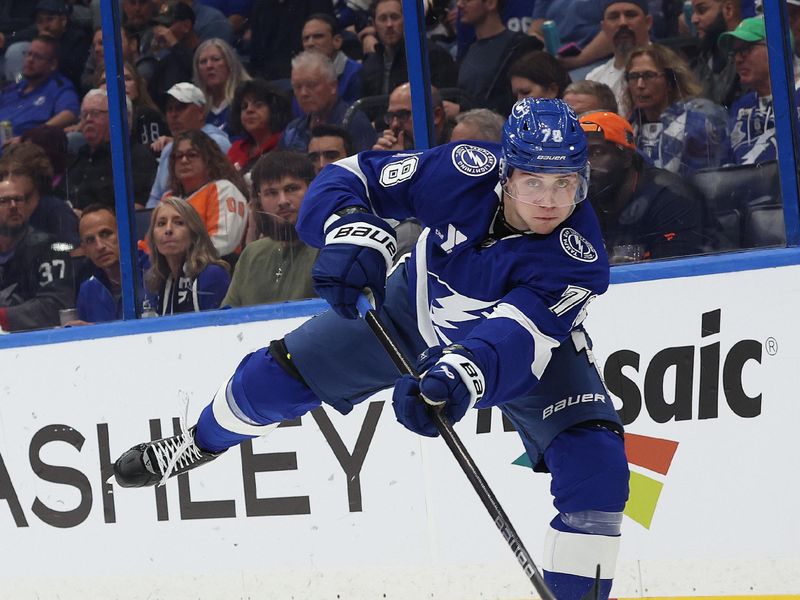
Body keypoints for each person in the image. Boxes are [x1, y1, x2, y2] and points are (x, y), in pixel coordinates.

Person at [112, 98, 629, 600]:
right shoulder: (461, 170)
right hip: (412, 309)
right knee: (270, 380)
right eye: (533, 181)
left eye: (565, 183)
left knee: (598, 469)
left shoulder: (578, 259)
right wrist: (350, 229)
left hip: (529, 355)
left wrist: (459, 376)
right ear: (505, 174)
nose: (549, 201)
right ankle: (199, 442)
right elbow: (348, 178)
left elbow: (515, 341)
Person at [579, 110, 707, 261]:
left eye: (596, 153)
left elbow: (678, 272)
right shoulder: (579, 196)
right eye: (579, 155)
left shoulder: (671, 197)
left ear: (626, 157)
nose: (585, 165)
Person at [223, 151, 319, 307]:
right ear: (258, 200)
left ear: (312, 190)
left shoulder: (331, 246)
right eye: (271, 193)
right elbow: (226, 321)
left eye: (292, 188)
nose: (282, 201)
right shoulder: (251, 254)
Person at [624, 44, 729, 176]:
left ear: (670, 81)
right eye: (633, 77)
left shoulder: (697, 122)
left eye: (649, 75)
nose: (640, 85)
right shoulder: (629, 128)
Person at [719, 16, 800, 165]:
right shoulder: (741, 107)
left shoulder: (797, 96)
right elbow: (724, 168)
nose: (737, 59)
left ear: (777, 47)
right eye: (734, 53)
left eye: (745, 49)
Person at [0, 178, 75, 332]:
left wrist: (3, 317)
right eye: (4, 201)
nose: (13, 206)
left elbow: (56, 305)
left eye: (18, 199)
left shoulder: (50, 249)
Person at [64, 89, 158, 211]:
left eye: (95, 113)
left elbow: (136, 210)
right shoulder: (77, 156)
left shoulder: (137, 158)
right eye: (84, 114)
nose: (88, 119)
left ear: (121, 117)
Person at [146, 82, 231, 208]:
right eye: (169, 109)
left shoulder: (217, 142)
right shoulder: (168, 149)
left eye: (180, 108)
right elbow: (155, 199)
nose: (173, 115)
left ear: (201, 111)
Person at [165, 129, 248, 257]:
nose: (184, 160)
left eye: (192, 154)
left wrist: (182, 264)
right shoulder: (168, 198)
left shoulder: (223, 189)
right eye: (178, 156)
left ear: (208, 159)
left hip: (214, 269)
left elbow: (223, 242)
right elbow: (150, 245)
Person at [144, 196, 230, 314]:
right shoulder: (157, 282)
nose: (168, 229)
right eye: (161, 223)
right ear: (153, 237)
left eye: (179, 223)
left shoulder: (212, 275)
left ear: (194, 233)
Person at [456, 0, 543, 115]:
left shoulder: (520, 46)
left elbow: (516, 100)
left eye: (467, 0)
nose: (459, 5)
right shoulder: (467, 51)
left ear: (491, 3)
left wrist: (463, 109)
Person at [281, 51, 377, 153]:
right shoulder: (292, 131)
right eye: (297, 87)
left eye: (311, 85)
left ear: (333, 86)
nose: (303, 93)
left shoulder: (355, 123)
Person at [359, 0, 457, 98]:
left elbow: (446, 102)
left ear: (406, 19)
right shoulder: (370, 64)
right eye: (383, 19)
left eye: (395, 17)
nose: (389, 24)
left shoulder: (431, 55)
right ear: (374, 24)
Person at [74, 204, 152, 323]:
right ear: (84, 250)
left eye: (105, 234)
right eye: (90, 240)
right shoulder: (87, 290)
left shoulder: (155, 274)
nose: (99, 246)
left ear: (123, 234)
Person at [0, 141, 79, 248]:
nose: (9, 180)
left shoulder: (56, 209)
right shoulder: (5, 210)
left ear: (36, 176)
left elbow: (71, 248)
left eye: (18, 173)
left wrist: (44, 251)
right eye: (5, 174)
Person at [0, 35, 80, 138]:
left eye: (38, 57)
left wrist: (30, 136)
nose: (30, 60)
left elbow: (70, 114)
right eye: (28, 54)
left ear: (53, 64)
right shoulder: (13, 88)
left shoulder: (59, 87)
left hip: (22, 148)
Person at [585, 0, 653, 116]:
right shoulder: (594, 78)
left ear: (648, 22)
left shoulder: (667, 66)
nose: (622, 22)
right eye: (614, 17)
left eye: (630, 15)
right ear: (604, 27)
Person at [96, 60, 168, 147]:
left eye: (127, 79)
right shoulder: (90, 122)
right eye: (105, 81)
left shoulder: (146, 115)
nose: (119, 84)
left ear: (138, 86)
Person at [226, 79, 293, 173]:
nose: (249, 110)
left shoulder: (286, 143)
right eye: (244, 107)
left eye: (258, 105)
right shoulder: (236, 149)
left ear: (273, 110)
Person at [689, 0, 743, 107]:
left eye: (702, 10)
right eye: (693, 12)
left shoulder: (750, 63)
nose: (693, 19)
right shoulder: (696, 65)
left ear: (728, 10)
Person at [301, 13, 363, 105]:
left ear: (337, 41)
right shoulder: (300, 77)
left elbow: (352, 117)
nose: (310, 43)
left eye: (318, 36)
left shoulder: (356, 73)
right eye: (306, 38)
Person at [192, 37, 251, 131]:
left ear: (229, 63)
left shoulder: (248, 98)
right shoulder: (197, 109)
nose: (209, 66)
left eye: (216, 59)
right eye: (203, 62)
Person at [372, 82, 450, 151]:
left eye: (403, 115)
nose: (394, 124)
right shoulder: (387, 148)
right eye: (391, 116)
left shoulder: (457, 148)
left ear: (436, 116)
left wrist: (401, 160)